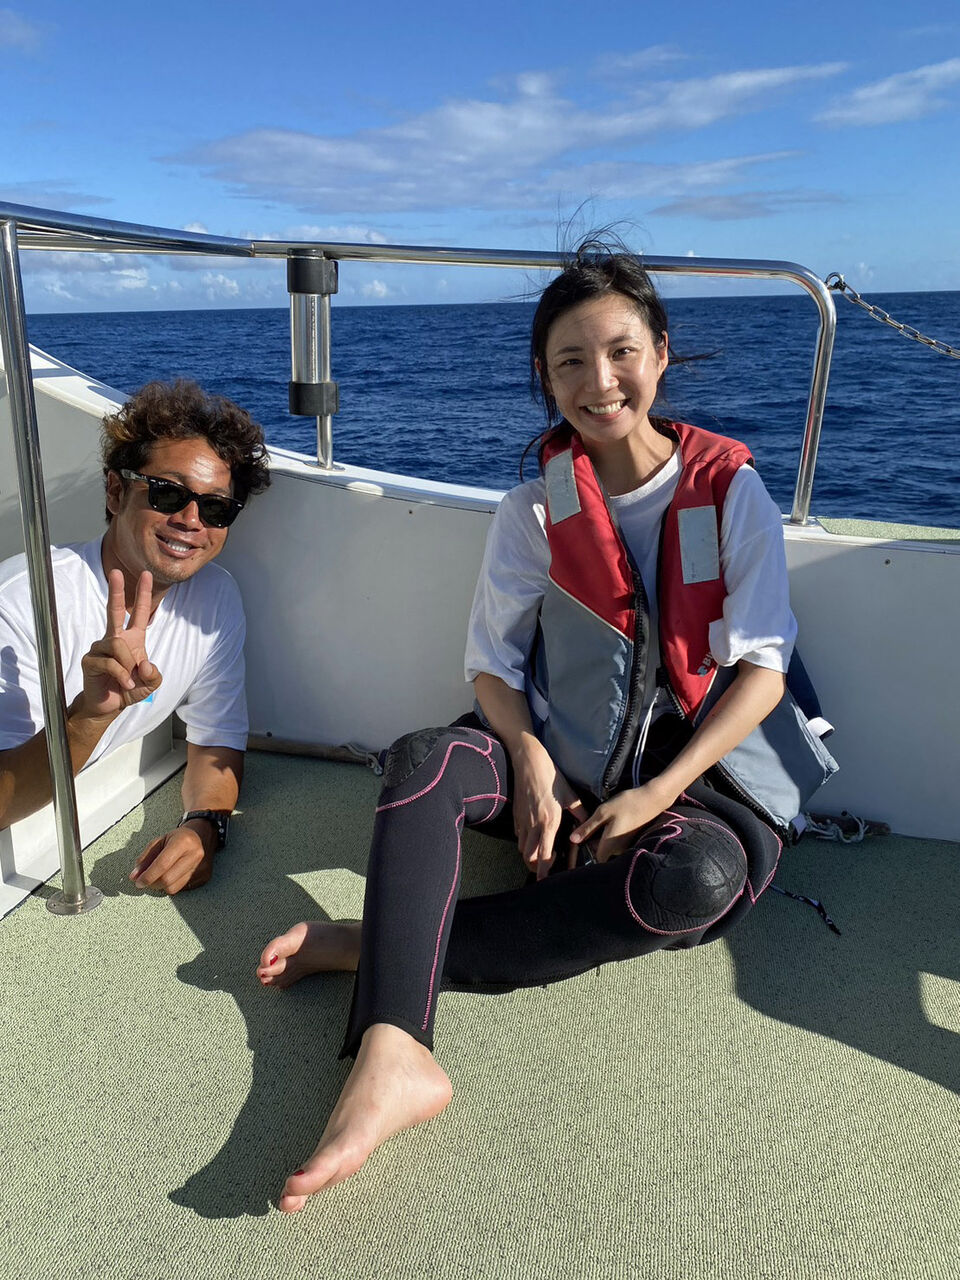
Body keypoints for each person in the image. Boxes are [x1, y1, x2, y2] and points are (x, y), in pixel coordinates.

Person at [256, 242, 837, 1213]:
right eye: (570, 361)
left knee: (693, 883)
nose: (598, 381)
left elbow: (764, 674)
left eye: (620, 352)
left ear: (660, 353)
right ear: (545, 377)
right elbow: (491, 666)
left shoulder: (731, 492)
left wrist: (654, 794)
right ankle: (396, 1050)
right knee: (423, 760)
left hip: (697, 786)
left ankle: (373, 942)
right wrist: (531, 763)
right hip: (563, 760)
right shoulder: (534, 510)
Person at [0, 378, 270, 893]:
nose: (191, 520)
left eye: (216, 508)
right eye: (168, 493)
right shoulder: (22, 602)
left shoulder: (215, 599)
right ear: (116, 491)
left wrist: (204, 827)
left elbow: (215, 738)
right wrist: (89, 716)